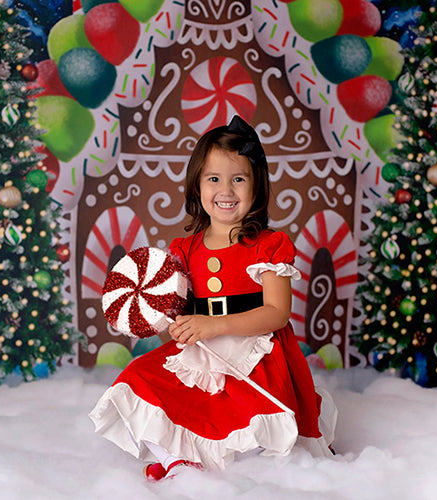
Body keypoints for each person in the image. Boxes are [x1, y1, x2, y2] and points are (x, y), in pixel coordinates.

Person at [89, 115, 337, 481]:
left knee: (252, 422)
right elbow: (181, 320)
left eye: (239, 179)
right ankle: (179, 461)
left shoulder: (268, 246)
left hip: (258, 353)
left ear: (257, 187)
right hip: (204, 350)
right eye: (214, 179)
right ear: (197, 185)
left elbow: (277, 313)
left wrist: (215, 325)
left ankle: (223, 461)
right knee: (139, 379)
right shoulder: (185, 249)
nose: (226, 190)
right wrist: (164, 321)